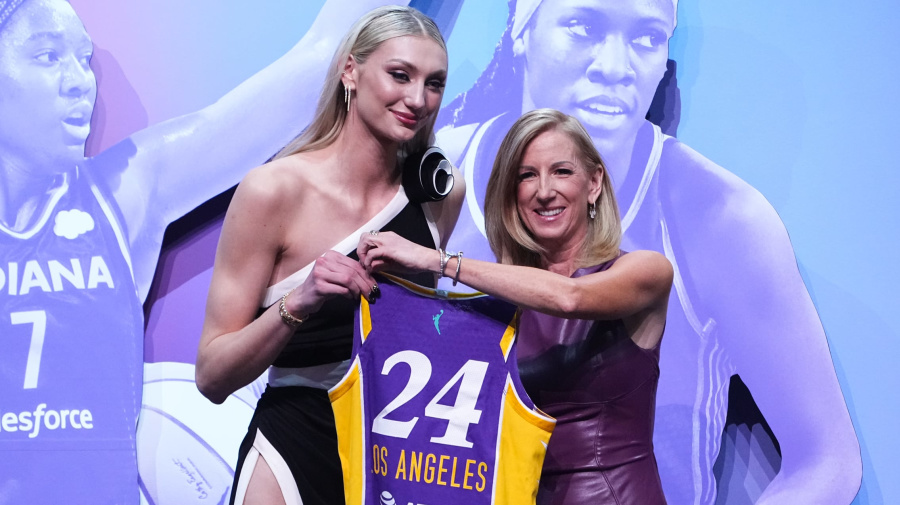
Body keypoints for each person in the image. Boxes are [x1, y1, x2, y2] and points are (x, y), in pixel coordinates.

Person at [431, 0, 862, 503]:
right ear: (522, 32)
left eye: (646, 38)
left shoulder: (718, 217)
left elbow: (827, 459)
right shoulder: (438, 177)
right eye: (582, 26)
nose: (615, 67)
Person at [0, 0, 408, 502]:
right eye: (45, 56)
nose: (79, 81)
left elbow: (316, 64)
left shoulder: (122, 192)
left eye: (82, 59)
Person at [195, 6, 461, 505]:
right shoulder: (273, 190)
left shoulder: (440, 192)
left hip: (398, 458)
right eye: (400, 75)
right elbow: (211, 376)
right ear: (351, 72)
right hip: (292, 449)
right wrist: (302, 299)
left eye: (434, 83)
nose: (417, 99)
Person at [358, 108, 673, 504]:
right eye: (526, 175)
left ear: (594, 183)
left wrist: (436, 260)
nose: (544, 191)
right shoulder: (496, 304)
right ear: (511, 193)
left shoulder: (646, 271)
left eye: (562, 171)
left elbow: (569, 297)